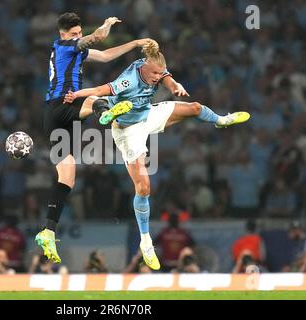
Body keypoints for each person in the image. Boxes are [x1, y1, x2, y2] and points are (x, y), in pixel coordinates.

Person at [64, 42, 250, 270]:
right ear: (143, 69)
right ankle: (146, 242)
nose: (156, 77)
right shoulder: (129, 80)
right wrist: (76, 95)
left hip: (147, 114)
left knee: (193, 107)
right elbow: (99, 89)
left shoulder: (153, 65)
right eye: (153, 74)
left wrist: (174, 85)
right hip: (128, 131)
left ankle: (222, 120)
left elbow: (165, 77)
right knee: (143, 187)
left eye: (159, 73)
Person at [35, 12, 157, 263]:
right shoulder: (63, 46)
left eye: (79, 33)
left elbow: (106, 55)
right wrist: (106, 25)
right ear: (63, 35)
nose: (78, 37)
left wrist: (135, 44)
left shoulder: (76, 50)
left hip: (57, 116)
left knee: (67, 177)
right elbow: (98, 38)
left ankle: (47, 231)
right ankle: (106, 114)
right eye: (74, 34)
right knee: (93, 100)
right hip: (61, 106)